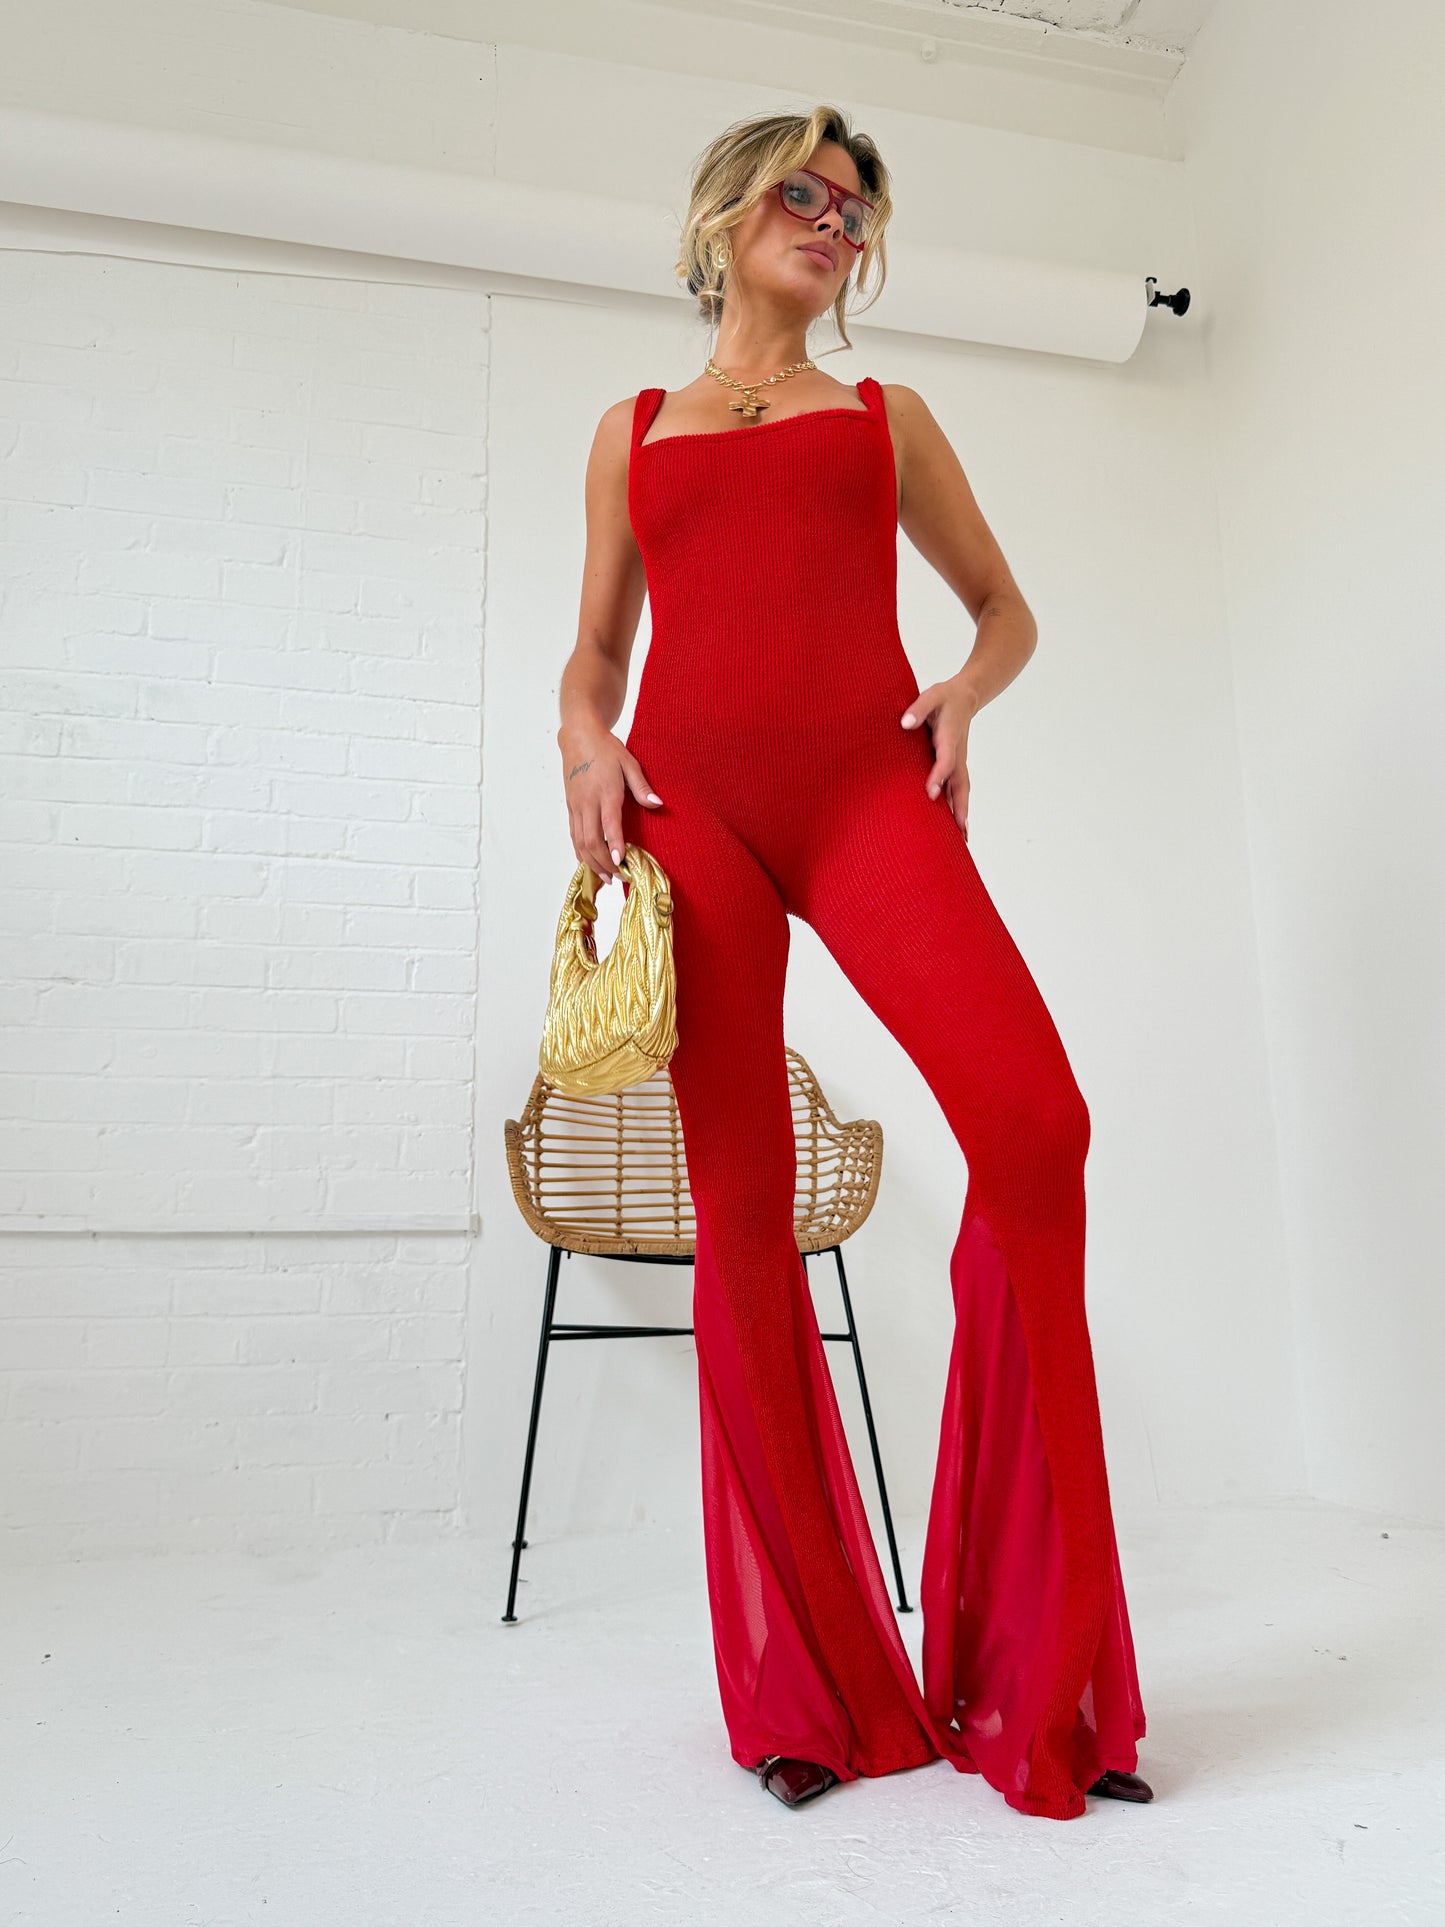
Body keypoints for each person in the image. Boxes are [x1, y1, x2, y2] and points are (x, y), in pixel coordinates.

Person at [554, 103, 1151, 1821]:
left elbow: (1003, 607)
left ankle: (1036, 1673)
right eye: (805, 194)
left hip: (866, 795)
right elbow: (593, 652)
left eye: (857, 208)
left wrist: (963, 697)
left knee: (1034, 1127)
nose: (835, 221)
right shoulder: (633, 429)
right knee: (740, 1211)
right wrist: (583, 742)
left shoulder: (887, 418)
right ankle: (808, 1695)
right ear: (724, 214)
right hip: (693, 815)